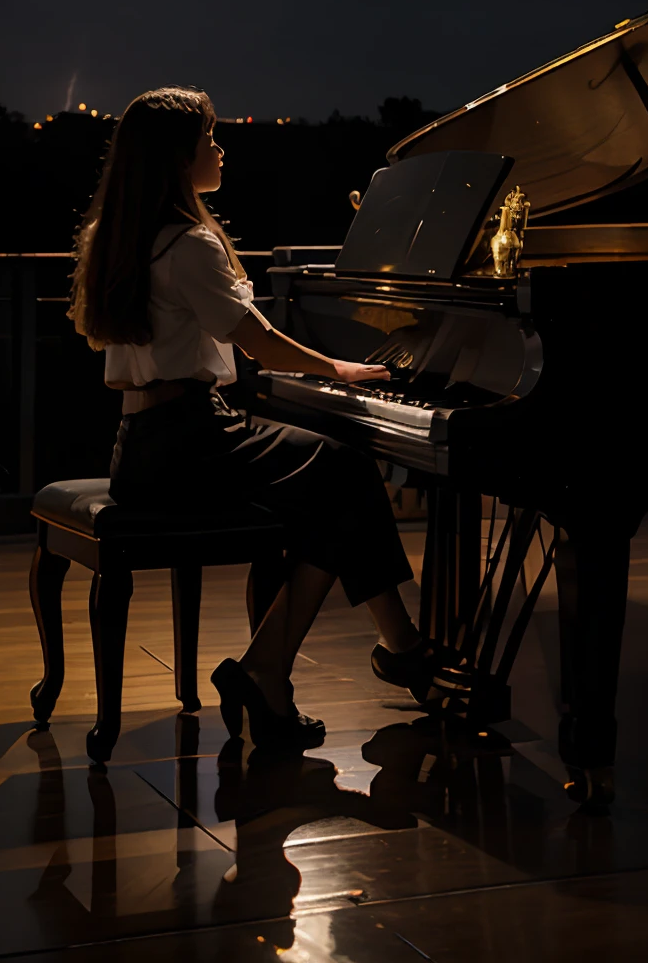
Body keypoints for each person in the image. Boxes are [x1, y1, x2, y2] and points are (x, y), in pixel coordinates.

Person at [69, 87, 430, 748]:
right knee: (347, 469)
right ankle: (373, 649)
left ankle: (293, 669)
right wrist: (338, 369)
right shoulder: (188, 245)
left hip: (140, 447)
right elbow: (256, 339)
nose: (221, 149)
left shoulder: (118, 238)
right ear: (181, 158)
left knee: (330, 493)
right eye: (210, 140)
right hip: (190, 438)